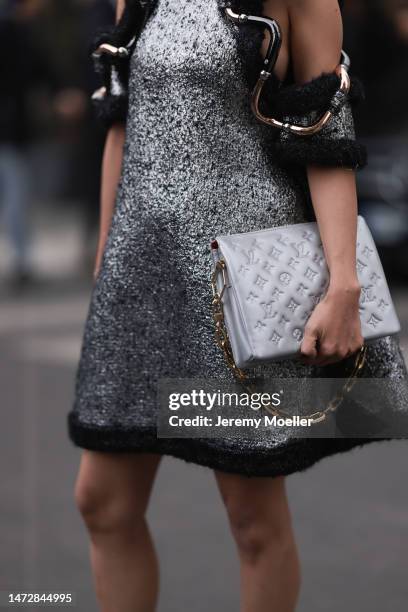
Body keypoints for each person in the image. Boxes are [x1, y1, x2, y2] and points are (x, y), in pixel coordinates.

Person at [68, 1, 408, 610]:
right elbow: (122, 124)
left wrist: (343, 285)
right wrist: (104, 259)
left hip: (238, 292)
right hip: (141, 275)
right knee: (103, 501)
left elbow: (326, 140)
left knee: (251, 514)